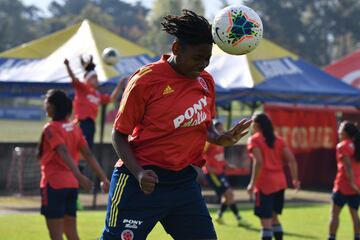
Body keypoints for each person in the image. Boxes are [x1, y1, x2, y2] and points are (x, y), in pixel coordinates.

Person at [100, 10, 252, 240]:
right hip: (140, 182)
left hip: (183, 184)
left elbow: (204, 126)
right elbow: (118, 135)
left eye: (207, 58)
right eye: (197, 57)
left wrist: (221, 138)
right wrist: (140, 173)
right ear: (176, 49)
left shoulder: (205, 81)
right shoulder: (146, 80)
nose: (203, 64)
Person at [38, 89, 110, 240]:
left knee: (56, 235)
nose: (45, 106)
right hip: (71, 186)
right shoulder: (74, 128)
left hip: (54, 184)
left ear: (53, 106)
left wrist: (81, 176)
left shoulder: (51, 128)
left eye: (46, 103)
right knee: (72, 234)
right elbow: (88, 154)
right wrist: (103, 178)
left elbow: (62, 151)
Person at [247, 113, 300, 240]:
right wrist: (295, 179)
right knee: (274, 217)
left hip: (264, 184)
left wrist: (252, 184)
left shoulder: (254, 140)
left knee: (265, 222)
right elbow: (292, 160)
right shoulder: (278, 140)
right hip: (280, 183)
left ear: (257, 125)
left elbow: (258, 162)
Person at [64, 56, 123, 148]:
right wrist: (67, 66)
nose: (96, 80)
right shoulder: (83, 88)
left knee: (88, 147)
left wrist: (120, 85)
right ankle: (78, 161)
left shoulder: (97, 94)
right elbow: (74, 78)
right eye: (93, 77)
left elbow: (111, 99)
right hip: (81, 122)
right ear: (87, 79)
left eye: (96, 77)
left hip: (91, 124)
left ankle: (82, 162)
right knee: (81, 147)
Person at [202, 120, 248, 226]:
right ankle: (239, 218)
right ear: (214, 129)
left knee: (228, 196)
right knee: (229, 194)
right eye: (219, 128)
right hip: (213, 173)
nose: (222, 130)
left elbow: (219, 158)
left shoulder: (222, 143)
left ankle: (219, 215)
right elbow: (201, 155)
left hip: (220, 172)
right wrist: (207, 167)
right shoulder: (210, 142)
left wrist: (227, 164)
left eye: (222, 128)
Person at [328, 121, 360, 240]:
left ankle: (331, 237)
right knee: (355, 214)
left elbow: (347, 166)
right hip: (357, 185)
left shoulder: (342, 146)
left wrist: (351, 183)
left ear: (346, 132)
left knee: (334, 214)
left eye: (340, 129)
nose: (338, 132)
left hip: (343, 185)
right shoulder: (357, 145)